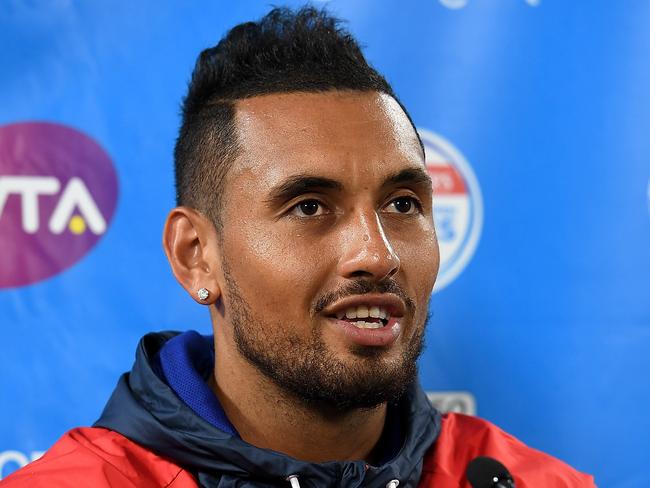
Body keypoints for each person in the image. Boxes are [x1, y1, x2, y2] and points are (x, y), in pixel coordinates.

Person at [2, 6, 595, 488]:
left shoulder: (531, 481)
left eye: (403, 204)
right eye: (310, 206)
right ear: (194, 255)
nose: (379, 254)